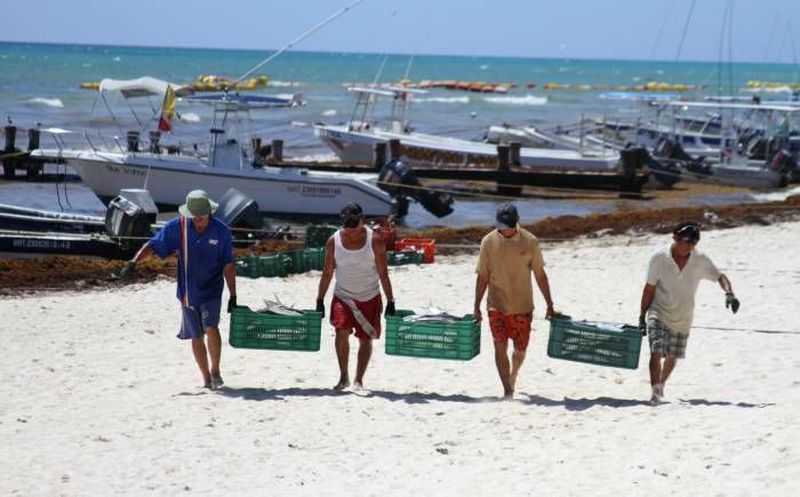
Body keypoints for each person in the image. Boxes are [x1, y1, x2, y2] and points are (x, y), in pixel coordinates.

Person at [118, 190, 236, 389]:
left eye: (202, 218)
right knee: (196, 336)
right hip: (188, 291)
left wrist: (233, 295)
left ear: (209, 213)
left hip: (212, 289)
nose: (198, 222)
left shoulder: (221, 231)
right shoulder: (178, 227)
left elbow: (228, 265)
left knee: (211, 327)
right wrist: (133, 262)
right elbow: (153, 244)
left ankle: (215, 370)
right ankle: (206, 378)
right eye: (194, 218)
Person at [639, 221, 739, 405]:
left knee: (672, 356)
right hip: (658, 311)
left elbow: (720, 276)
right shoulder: (659, 258)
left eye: (694, 243)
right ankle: (654, 393)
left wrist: (729, 293)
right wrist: (642, 316)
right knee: (656, 351)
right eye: (686, 241)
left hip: (683, 317)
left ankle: (661, 384)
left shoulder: (700, 260)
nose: (689, 246)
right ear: (675, 238)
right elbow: (649, 289)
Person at [474, 203, 557, 399]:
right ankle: (507, 389)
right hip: (496, 305)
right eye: (502, 225)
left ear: (516, 223)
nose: (505, 229)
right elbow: (482, 276)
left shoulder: (530, 241)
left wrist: (550, 304)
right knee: (499, 345)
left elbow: (540, 274)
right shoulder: (488, 242)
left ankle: (513, 374)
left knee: (520, 350)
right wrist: (476, 305)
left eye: (508, 225)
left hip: (522, 306)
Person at [316, 202, 395, 392]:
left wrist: (391, 300)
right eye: (347, 226)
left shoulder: (375, 240)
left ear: (362, 220)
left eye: (355, 226)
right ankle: (344, 376)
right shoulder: (333, 241)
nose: (351, 231)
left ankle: (359, 379)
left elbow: (383, 273)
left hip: (370, 295)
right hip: (343, 295)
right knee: (340, 331)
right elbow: (327, 273)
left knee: (365, 338)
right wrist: (319, 299)